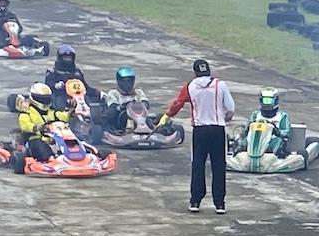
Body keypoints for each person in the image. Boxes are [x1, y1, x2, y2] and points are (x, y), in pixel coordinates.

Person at [165, 59, 235, 214]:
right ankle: (220, 203)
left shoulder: (190, 86)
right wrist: (223, 116)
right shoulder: (220, 85)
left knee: (198, 165)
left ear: (195, 72)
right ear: (209, 71)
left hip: (200, 130)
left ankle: (195, 201)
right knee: (219, 166)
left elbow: (177, 104)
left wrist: (167, 115)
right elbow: (230, 110)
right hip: (217, 130)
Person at [17, 83, 70, 162]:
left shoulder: (50, 111)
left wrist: (70, 114)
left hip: (53, 139)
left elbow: (60, 115)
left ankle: (79, 156)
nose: (44, 101)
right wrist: (36, 127)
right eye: (42, 99)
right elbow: (25, 125)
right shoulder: (27, 112)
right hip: (34, 140)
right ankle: (51, 160)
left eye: (46, 99)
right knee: (39, 144)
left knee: (70, 140)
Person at [245, 87, 291, 155]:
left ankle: (271, 154)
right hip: (255, 139)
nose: (266, 103)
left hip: (272, 141)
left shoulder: (282, 116)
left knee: (278, 141)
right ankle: (244, 153)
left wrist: (276, 131)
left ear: (275, 100)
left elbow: (286, 133)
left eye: (268, 100)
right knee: (243, 140)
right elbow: (247, 129)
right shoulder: (255, 115)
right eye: (265, 100)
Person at [103, 66, 150, 131]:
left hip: (139, 118)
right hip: (121, 120)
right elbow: (113, 106)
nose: (128, 84)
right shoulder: (113, 93)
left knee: (148, 120)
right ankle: (126, 131)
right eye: (125, 81)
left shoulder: (138, 92)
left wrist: (142, 104)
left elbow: (145, 102)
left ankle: (149, 129)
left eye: (130, 81)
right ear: (119, 81)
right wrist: (122, 107)